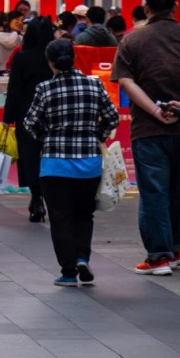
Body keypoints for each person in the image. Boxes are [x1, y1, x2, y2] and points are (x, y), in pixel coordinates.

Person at [112, 0, 180, 276]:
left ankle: (158, 256)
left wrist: (156, 110)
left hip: (148, 129)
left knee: (154, 192)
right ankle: (175, 247)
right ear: (176, 7)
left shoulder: (132, 41)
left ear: (146, 8)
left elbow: (126, 82)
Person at [22, 39, 121, 287]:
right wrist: (95, 136)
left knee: (60, 217)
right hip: (88, 164)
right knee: (84, 215)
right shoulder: (94, 84)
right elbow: (112, 117)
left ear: (51, 63)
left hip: (55, 165)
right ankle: (82, 257)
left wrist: (47, 137)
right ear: (74, 58)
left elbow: (30, 122)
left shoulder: (45, 89)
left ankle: (68, 271)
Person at [2, 17, 56, 223]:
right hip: (52, 115)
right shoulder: (54, 58)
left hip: (27, 114)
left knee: (30, 157)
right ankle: (51, 197)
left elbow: (13, 90)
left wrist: (8, 118)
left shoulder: (22, 58)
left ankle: (36, 198)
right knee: (50, 155)